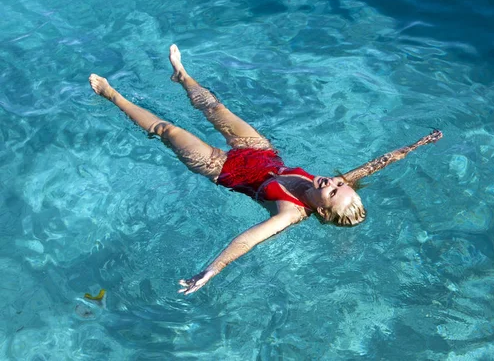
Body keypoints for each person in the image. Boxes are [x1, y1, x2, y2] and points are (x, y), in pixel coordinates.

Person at [89, 44, 443, 295]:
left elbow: (246, 240)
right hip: (261, 152)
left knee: (169, 131)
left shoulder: (289, 213)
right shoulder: (332, 185)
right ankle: (182, 75)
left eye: (334, 190)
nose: (335, 181)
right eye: (340, 183)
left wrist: (212, 270)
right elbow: (374, 165)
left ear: (321, 209)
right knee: (214, 107)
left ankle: (112, 95)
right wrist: (415, 146)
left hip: (224, 168)